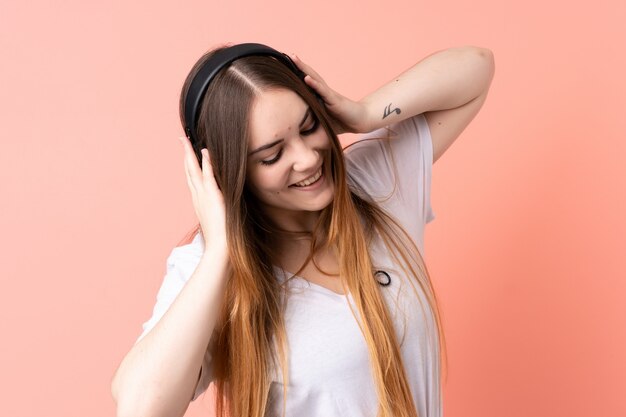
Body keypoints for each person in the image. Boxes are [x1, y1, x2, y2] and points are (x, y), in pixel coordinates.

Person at [111, 42, 495, 417]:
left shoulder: (375, 184)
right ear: (229, 174)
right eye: (273, 155)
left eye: (310, 127)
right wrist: (220, 254)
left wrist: (362, 114)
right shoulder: (205, 265)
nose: (308, 158)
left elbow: (475, 66)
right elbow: (140, 407)